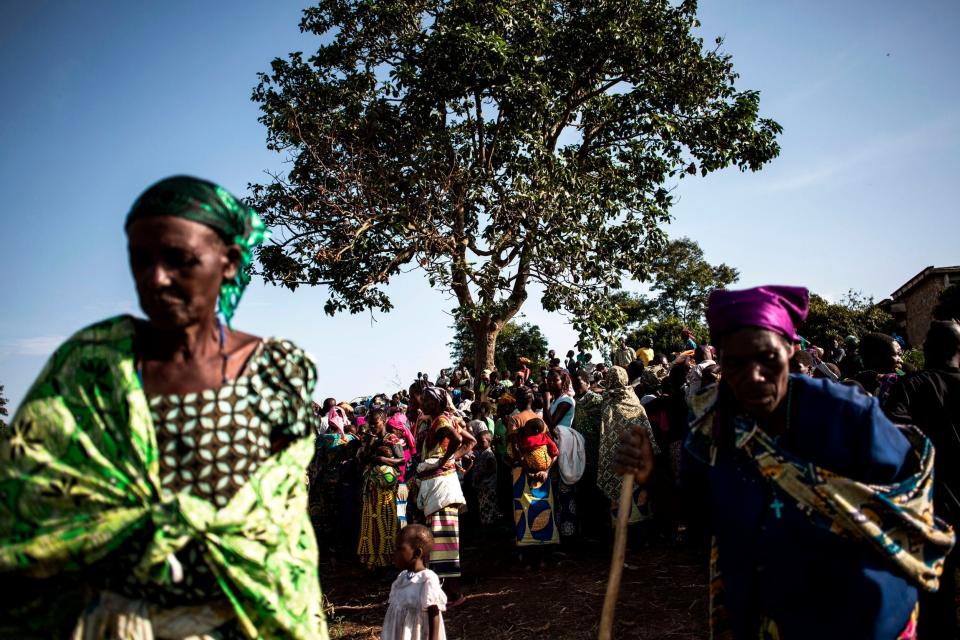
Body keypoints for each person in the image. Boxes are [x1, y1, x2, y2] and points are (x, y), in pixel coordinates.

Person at [0, 176, 327, 638]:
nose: (155, 278)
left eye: (179, 259)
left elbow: (280, 516)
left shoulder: (275, 369)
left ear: (229, 262)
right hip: (118, 624)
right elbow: (32, 499)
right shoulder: (93, 365)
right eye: (140, 261)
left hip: (240, 622)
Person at [616, 285, 953, 639]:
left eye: (767, 358)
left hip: (861, 615)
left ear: (792, 352)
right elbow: (696, 517)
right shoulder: (710, 423)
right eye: (735, 363)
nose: (753, 376)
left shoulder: (847, 415)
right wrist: (651, 475)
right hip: (764, 613)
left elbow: (907, 515)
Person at [885, 319, 960, 638]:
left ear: (932, 348)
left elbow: (890, 432)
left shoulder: (912, 386)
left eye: (928, 341)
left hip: (930, 507)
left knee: (935, 602)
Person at [415, 386, 476, 605]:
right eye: (423, 399)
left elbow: (461, 441)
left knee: (444, 541)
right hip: (439, 488)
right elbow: (471, 441)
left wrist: (445, 460)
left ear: (439, 403)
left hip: (441, 488)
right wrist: (451, 459)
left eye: (428, 400)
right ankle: (446, 591)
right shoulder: (441, 419)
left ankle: (453, 593)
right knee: (442, 541)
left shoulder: (441, 421)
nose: (423, 403)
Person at [597, 366, 658, 527]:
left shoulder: (606, 403)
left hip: (616, 459)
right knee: (638, 494)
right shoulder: (634, 401)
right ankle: (642, 534)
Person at [358, 408, 406, 571]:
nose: (372, 427)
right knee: (371, 524)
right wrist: (369, 444)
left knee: (386, 522)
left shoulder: (391, 439)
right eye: (369, 424)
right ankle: (373, 561)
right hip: (371, 489)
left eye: (375, 423)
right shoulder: (368, 439)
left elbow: (401, 461)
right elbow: (361, 460)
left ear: (384, 420)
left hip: (386, 491)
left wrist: (383, 459)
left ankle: (388, 563)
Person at [381, 524, 447, 640]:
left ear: (417, 553)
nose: (394, 554)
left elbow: (434, 615)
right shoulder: (402, 578)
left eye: (399, 549)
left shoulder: (427, 580)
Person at [543, 367, 578, 539]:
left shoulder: (566, 401)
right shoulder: (557, 400)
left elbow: (551, 424)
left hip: (564, 450)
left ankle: (568, 534)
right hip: (555, 449)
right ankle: (559, 533)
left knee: (565, 493)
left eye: (554, 380)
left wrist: (545, 400)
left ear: (563, 381)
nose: (550, 383)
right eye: (548, 380)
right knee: (557, 493)